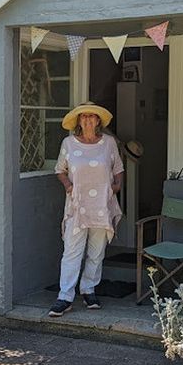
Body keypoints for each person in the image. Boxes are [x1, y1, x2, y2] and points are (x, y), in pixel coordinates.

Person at [49, 102, 124, 317]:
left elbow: (118, 167)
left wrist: (116, 187)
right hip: (77, 205)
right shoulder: (69, 143)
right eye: (84, 117)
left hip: (101, 204)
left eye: (92, 117)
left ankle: (89, 289)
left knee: (96, 251)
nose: (88, 120)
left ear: (98, 120)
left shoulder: (109, 143)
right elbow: (59, 169)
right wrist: (69, 186)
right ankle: (65, 296)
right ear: (78, 121)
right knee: (72, 251)